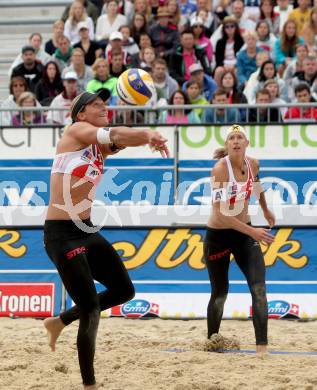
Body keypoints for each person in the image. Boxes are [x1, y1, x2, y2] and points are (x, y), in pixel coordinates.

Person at [43, 88, 169, 389]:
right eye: (96, 104)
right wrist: (147, 133)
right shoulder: (76, 131)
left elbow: (120, 138)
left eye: (105, 104)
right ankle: (89, 385)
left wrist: (147, 138)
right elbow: (113, 133)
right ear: (81, 112)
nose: (104, 107)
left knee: (124, 290)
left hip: (85, 229)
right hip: (62, 235)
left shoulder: (97, 146)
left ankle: (59, 321)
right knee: (91, 310)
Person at [204, 123, 275, 354]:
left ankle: (261, 349)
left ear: (247, 143)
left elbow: (257, 186)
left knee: (259, 288)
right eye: (232, 138)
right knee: (220, 293)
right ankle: (212, 341)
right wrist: (253, 231)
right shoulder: (219, 170)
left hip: (244, 233)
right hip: (219, 237)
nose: (236, 141)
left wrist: (265, 209)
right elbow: (220, 213)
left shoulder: (253, 163)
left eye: (240, 137)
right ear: (227, 145)